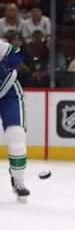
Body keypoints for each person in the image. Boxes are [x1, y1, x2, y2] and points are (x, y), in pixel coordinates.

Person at [0, 39, 30, 201]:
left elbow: (17, 53)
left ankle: (18, 180)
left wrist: (7, 65)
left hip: (9, 92)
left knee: (16, 136)